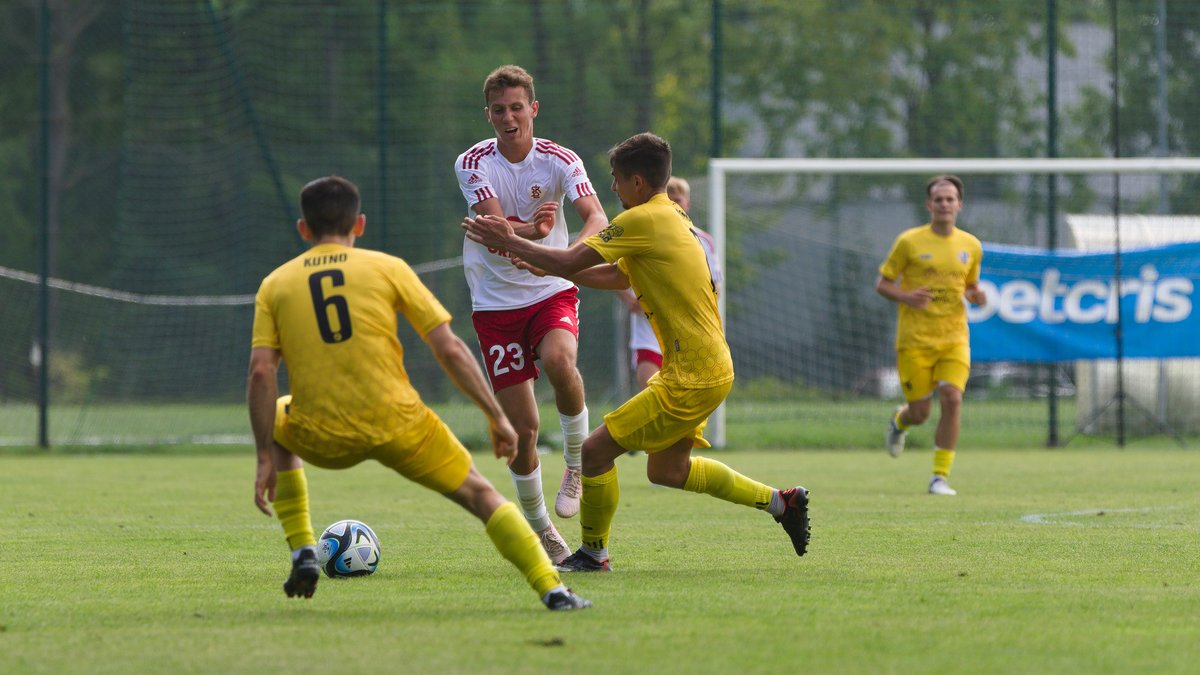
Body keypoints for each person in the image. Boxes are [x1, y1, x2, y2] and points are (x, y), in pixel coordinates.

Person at [462, 132, 810, 572]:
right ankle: (782, 503)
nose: (612, 187)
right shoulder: (670, 214)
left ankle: (593, 554)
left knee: (593, 452)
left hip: (691, 375)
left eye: (617, 178)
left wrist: (510, 241)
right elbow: (619, 277)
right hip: (709, 367)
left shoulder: (641, 219)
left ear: (638, 183)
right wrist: (541, 263)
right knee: (667, 471)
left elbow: (569, 262)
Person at [248, 176, 590, 610]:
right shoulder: (387, 268)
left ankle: (302, 550)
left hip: (320, 431)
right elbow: (449, 349)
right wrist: (495, 416)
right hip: (399, 424)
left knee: (281, 416)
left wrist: (264, 456)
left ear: (303, 229)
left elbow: (261, 373)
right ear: (359, 225)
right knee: (482, 496)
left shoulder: (276, 284)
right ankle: (553, 590)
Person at [453, 65, 609, 564]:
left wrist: (567, 256)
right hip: (495, 304)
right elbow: (493, 229)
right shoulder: (472, 162)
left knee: (562, 362)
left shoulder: (560, 159)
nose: (509, 118)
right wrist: (534, 233)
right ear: (488, 115)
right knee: (523, 433)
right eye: (499, 110)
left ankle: (577, 463)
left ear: (533, 109)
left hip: (550, 288)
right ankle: (543, 530)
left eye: (517, 107)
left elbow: (597, 217)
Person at [875, 175, 987, 496]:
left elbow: (970, 285)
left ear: (959, 205)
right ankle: (900, 421)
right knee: (920, 413)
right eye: (939, 199)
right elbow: (882, 284)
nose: (944, 204)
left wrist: (977, 295)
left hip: (954, 338)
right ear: (929, 205)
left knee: (952, 397)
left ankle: (939, 477)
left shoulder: (971, 245)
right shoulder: (909, 242)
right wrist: (907, 296)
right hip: (915, 340)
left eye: (950, 199)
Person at [619, 176, 722, 390]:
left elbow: (715, 287)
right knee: (652, 393)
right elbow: (615, 272)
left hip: (687, 336)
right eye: (669, 200)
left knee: (683, 397)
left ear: (687, 204)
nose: (674, 205)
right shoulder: (643, 232)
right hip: (649, 335)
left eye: (678, 200)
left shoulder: (703, 241)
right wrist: (630, 300)